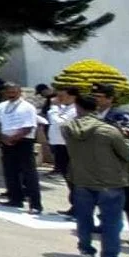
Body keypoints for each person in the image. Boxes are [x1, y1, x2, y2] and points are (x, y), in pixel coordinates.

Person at [63, 94, 129, 257]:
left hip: (81, 178)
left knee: (83, 217)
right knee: (112, 221)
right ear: (96, 108)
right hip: (109, 180)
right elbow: (126, 153)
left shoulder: (67, 128)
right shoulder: (108, 130)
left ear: (77, 107)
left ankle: (85, 249)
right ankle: (110, 256)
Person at [91, 83, 129, 247]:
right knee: (103, 195)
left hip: (118, 163)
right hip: (98, 161)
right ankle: (105, 223)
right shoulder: (93, 114)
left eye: (99, 97)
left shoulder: (120, 115)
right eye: (94, 97)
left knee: (128, 197)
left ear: (110, 99)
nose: (95, 100)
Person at [0, 83, 42, 214]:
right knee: (10, 171)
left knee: (29, 173)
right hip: (6, 141)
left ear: (20, 92)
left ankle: (35, 205)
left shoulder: (27, 107)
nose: (12, 94)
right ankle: (15, 199)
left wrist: (14, 138)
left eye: (14, 92)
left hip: (24, 141)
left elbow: (29, 127)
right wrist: (2, 136)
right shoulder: (1, 106)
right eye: (9, 92)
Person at [47, 86, 79, 216]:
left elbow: (59, 122)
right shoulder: (63, 108)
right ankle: (74, 205)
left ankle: (78, 206)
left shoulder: (74, 109)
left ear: (72, 96)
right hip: (58, 144)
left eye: (62, 96)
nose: (58, 99)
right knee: (67, 176)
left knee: (72, 177)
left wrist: (54, 108)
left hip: (68, 146)